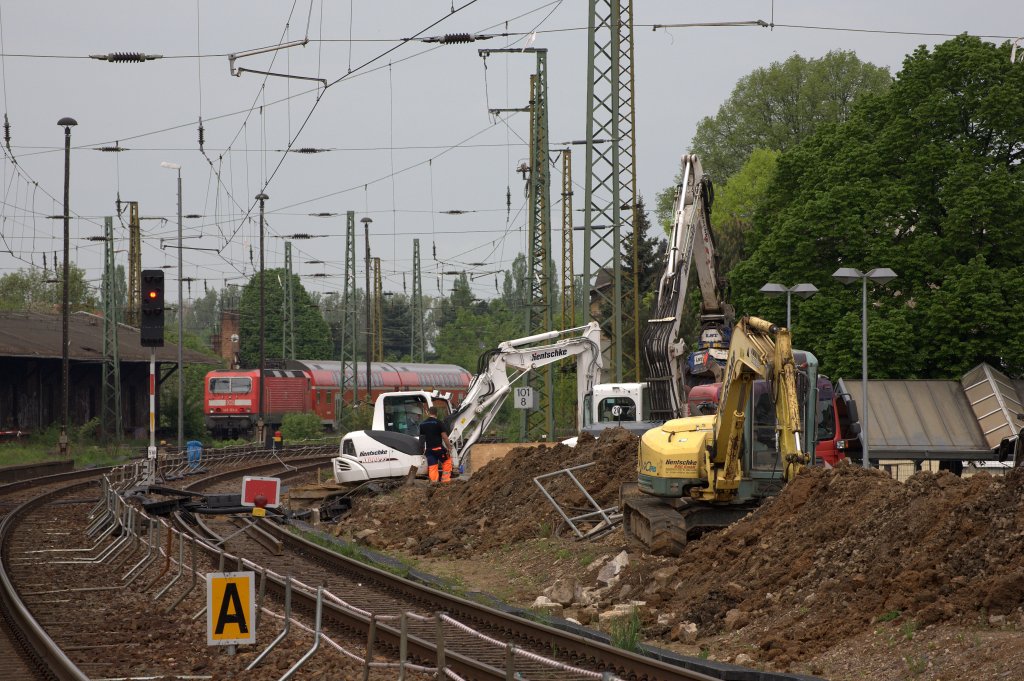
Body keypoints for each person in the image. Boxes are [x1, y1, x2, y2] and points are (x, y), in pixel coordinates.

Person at [418, 405, 453, 484]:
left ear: (428, 413)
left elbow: (421, 439)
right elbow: (444, 437)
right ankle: (445, 481)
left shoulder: (422, 424)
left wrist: (422, 450)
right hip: (438, 449)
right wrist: (449, 447)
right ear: (436, 413)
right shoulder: (438, 422)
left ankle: (434, 483)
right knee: (447, 461)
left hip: (429, 450)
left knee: (432, 466)